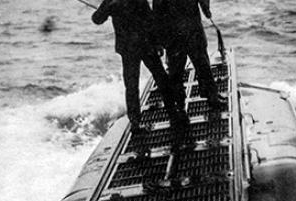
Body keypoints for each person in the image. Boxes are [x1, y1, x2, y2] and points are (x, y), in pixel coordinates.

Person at [92, 0, 188, 132]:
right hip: (140, 47)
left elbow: (97, 19)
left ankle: (142, 120)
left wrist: (108, 9)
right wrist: (158, 44)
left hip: (135, 48)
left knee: (140, 84)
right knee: (153, 80)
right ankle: (168, 115)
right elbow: (97, 19)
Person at [152, 0, 227, 109]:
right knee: (178, 72)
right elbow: (157, 14)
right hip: (178, 34)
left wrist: (205, 8)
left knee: (202, 66)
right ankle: (181, 104)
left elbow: (157, 12)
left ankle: (211, 97)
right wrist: (159, 40)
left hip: (188, 31)